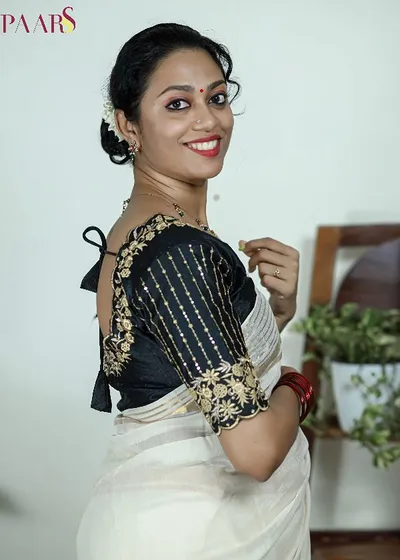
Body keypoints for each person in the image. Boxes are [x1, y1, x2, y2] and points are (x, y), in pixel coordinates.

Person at [77, 22, 314, 560]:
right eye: (178, 104)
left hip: (160, 522)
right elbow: (255, 452)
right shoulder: (180, 251)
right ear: (128, 125)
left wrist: (276, 314)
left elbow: (176, 363)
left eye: (217, 97)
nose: (208, 120)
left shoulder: (138, 230)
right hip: (196, 536)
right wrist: (297, 386)